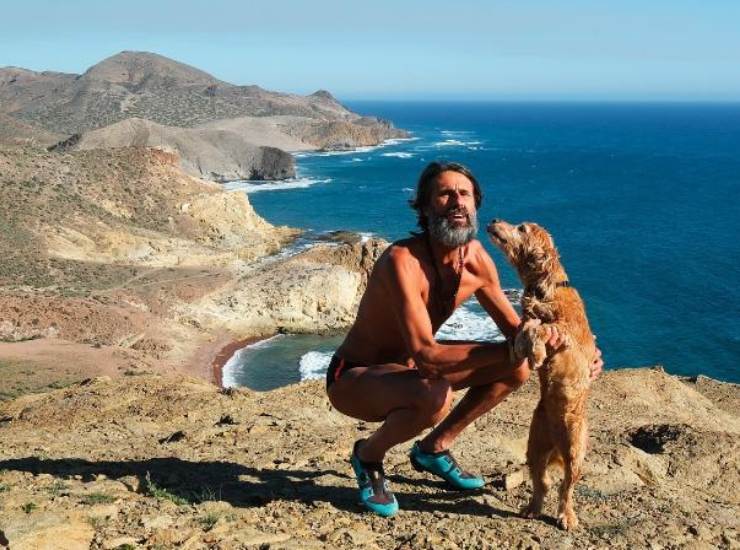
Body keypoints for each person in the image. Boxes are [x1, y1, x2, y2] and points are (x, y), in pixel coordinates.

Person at [326, 161, 603, 517]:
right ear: (425, 208)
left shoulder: (475, 260)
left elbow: (516, 333)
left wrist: (583, 350)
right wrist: (515, 347)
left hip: (407, 373)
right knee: (434, 394)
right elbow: (427, 356)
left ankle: (434, 448)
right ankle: (368, 456)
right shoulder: (402, 262)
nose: (457, 201)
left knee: (515, 369)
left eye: (465, 194)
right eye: (445, 194)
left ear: (475, 205)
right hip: (355, 377)